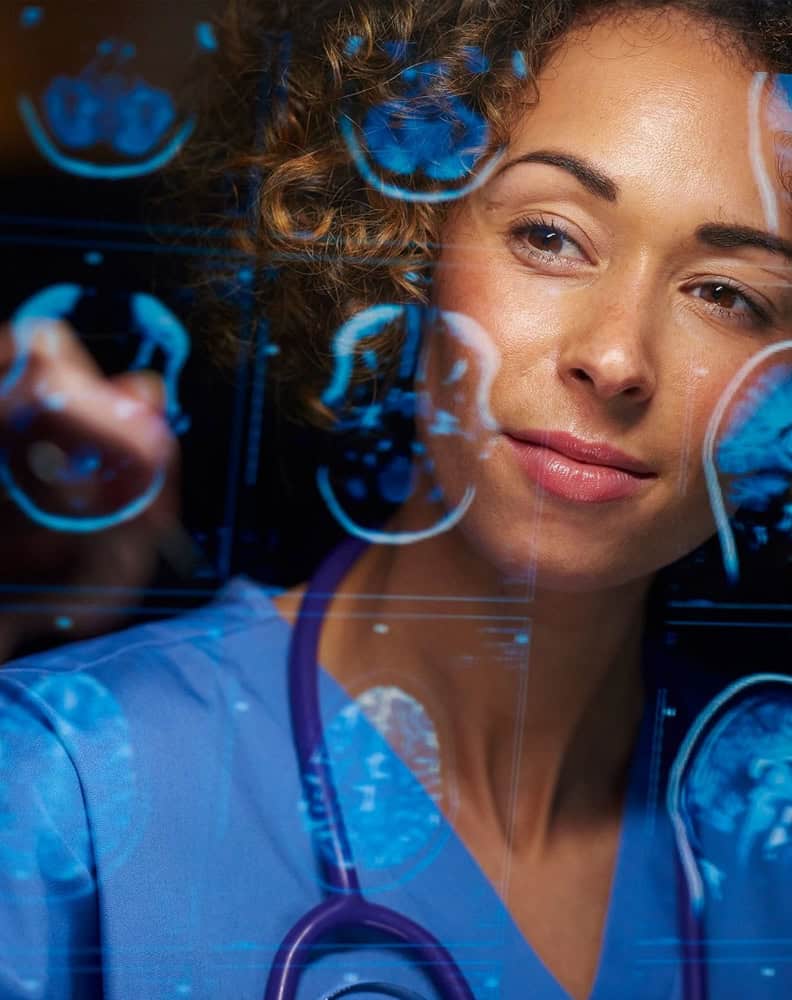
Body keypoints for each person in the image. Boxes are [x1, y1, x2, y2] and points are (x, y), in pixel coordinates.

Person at [1, 1, 792, 998]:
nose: (615, 357)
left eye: (727, 294)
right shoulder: (52, 785)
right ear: (406, 240)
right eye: (550, 235)